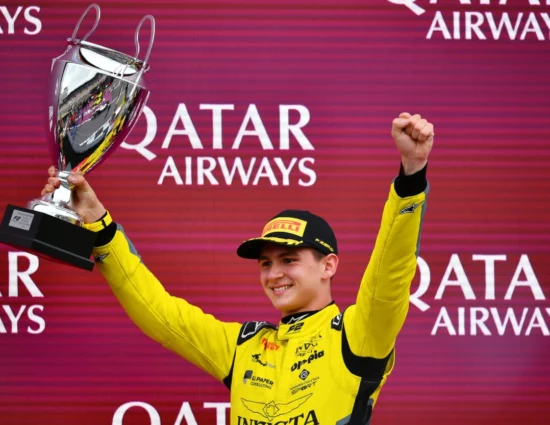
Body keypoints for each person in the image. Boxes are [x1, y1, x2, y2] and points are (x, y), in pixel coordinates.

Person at [42, 112, 434, 425]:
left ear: (328, 265)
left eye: (289, 260)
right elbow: (159, 313)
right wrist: (99, 224)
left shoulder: (358, 334)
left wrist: (411, 177)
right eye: (266, 263)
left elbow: (390, 273)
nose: (274, 274)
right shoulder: (245, 346)